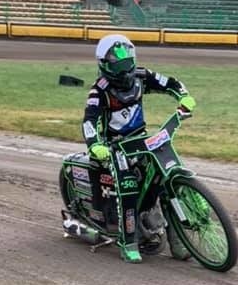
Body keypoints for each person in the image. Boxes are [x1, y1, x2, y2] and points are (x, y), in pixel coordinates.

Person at [81, 34, 196, 263]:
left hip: (142, 140)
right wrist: (95, 145)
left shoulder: (142, 76)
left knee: (164, 179)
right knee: (128, 188)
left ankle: (178, 238)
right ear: (105, 65)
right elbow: (88, 122)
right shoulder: (99, 91)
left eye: (128, 63)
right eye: (119, 65)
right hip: (114, 146)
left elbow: (170, 83)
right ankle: (128, 241)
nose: (125, 70)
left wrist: (184, 97)